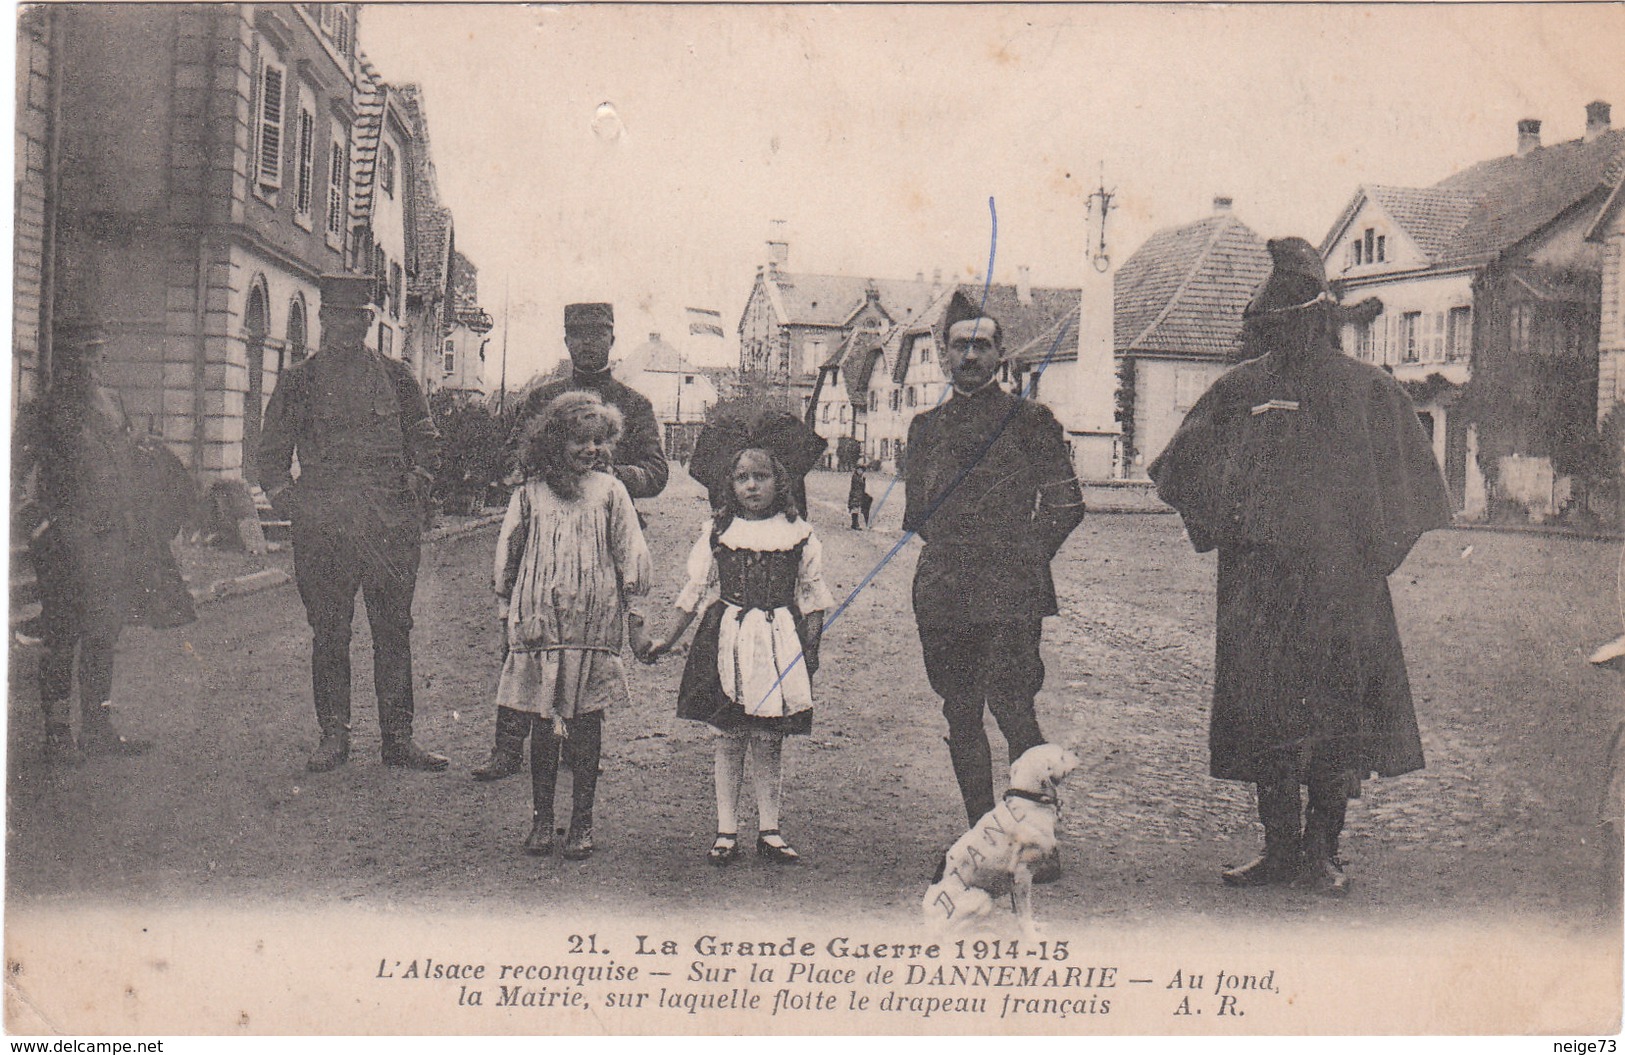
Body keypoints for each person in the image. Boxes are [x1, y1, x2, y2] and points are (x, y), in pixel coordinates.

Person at [1148, 237, 1451, 896]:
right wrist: (1228, 531)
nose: (1282, 332)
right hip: (1259, 592)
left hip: (1344, 595)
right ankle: (1278, 847)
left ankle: (1320, 850)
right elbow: (1179, 471)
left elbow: (1416, 495)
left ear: (1319, 317)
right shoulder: (1241, 388)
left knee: (1337, 719)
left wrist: (1368, 562)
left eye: (1292, 319)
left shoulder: (1369, 391)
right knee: (1263, 718)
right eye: (1270, 322)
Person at [903, 291, 1086, 859]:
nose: (972, 357)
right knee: (960, 713)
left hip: (1012, 593)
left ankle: (1035, 844)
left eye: (983, 345)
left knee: (1014, 709)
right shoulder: (925, 427)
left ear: (1002, 353)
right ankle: (984, 838)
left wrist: (1024, 558)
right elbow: (919, 514)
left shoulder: (1031, 421)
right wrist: (960, 556)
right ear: (942, 355)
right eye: (961, 346)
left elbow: (1066, 504)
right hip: (945, 591)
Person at [257, 274, 447, 773]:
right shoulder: (299, 380)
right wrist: (291, 506)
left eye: (357, 317)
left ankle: (398, 738)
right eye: (336, 317)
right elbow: (271, 456)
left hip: (388, 525)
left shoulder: (398, 376)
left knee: (393, 630)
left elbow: (426, 438)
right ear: (323, 320)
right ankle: (333, 737)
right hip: (324, 526)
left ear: (369, 321)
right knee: (329, 631)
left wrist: (417, 482)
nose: (347, 326)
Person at [475, 301, 667, 782]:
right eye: (577, 336)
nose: (587, 344)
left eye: (597, 335)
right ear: (565, 342)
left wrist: (613, 473)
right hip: (543, 533)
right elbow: (509, 457)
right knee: (527, 637)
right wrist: (535, 469)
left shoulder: (634, 405)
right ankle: (508, 745)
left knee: (589, 644)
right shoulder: (541, 399)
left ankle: (579, 748)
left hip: (600, 538)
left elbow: (657, 472)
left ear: (611, 339)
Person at [642, 412, 832, 865]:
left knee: (769, 739)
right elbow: (693, 594)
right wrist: (666, 640)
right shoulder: (718, 532)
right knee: (728, 737)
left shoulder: (799, 534)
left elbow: (813, 598)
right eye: (742, 477)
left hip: (778, 643)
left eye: (761, 477)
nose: (751, 486)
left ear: (779, 482)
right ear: (729, 484)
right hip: (725, 641)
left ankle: (770, 827)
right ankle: (726, 829)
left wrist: (811, 649)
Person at [492, 391, 654, 860]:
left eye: (599, 441)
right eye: (579, 440)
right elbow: (509, 553)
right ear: (553, 442)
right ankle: (543, 822)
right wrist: (507, 613)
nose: (591, 450)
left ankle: (581, 823)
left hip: (592, 623)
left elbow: (631, 555)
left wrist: (635, 615)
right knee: (543, 724)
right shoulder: (529, 494)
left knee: (586, 725)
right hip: (541, 624)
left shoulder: (611, 492)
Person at [22, 323, 156, 763]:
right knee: (62, 634)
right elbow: (13, 473)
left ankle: (97, 728)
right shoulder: (42, 411)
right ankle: (58, 733)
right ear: (66, 363)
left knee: (103, 634)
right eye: (85, 355)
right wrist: (38, 526)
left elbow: (128, 461)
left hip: (112, 538)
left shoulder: (113, 403)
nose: (94, 363)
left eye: (98, 354)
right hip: (65, 540)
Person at [847, 463, 872, 530]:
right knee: (855, 508)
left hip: (859, 495)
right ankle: (854, 524)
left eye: (861, 471)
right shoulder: (855, 477)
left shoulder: (860, 477)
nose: (860, 472)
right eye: (859, 470)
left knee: (857, 508)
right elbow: (859, 486)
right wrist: (863, 480)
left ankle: (856, 524)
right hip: (855, 495)